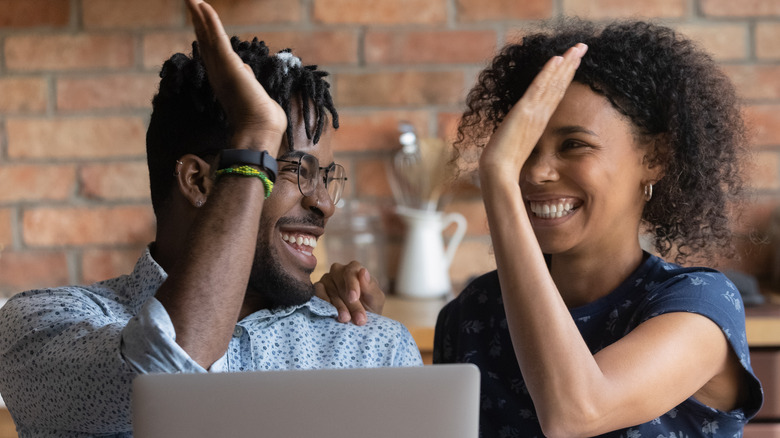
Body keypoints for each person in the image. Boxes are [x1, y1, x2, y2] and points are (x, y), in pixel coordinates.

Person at [0, 1, 421, 436]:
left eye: (326, 177)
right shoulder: (42, 325)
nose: (325, 205)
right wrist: (256, 135)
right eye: (297, 170)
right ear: (200, 182)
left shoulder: (371, 348)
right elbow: (164, 373)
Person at [433, 19, 764, 437]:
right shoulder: (473, 312)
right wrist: (360, 319)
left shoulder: (700, 309)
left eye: (574, 145)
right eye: (524, 149)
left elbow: (576, 413)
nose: (536, 171)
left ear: (655, 157)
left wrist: (498, 174)